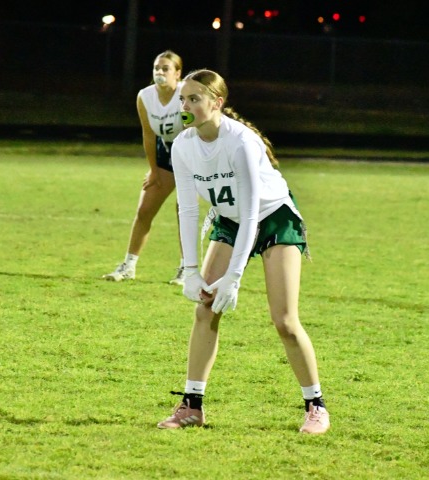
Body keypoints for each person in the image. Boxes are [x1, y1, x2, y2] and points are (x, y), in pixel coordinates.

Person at [157, 69, 330, 434]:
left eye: (193, 99)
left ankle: (316, 405)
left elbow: (252, 212)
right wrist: (191, 270)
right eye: (182, 100)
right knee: (205, 308)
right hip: (231, 219)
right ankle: (192, 406)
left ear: (216, 103)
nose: (184, 107)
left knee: (284, 321)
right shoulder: (183, 145)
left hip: (272, 218)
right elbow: (187, 209)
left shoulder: (240, 142)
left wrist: (234, 277)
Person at [103, 50, 186, 285]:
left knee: (184, 212)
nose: (160, 72)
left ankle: (187, 269)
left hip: (191, 156)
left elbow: (196, 130)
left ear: (177, 73)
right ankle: (128, 266)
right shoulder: (145, 96)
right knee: (144, 210)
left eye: (165, 68)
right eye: (156, 67)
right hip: (165, 153)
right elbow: (149, 135)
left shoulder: (186, 94)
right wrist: (154, 169)